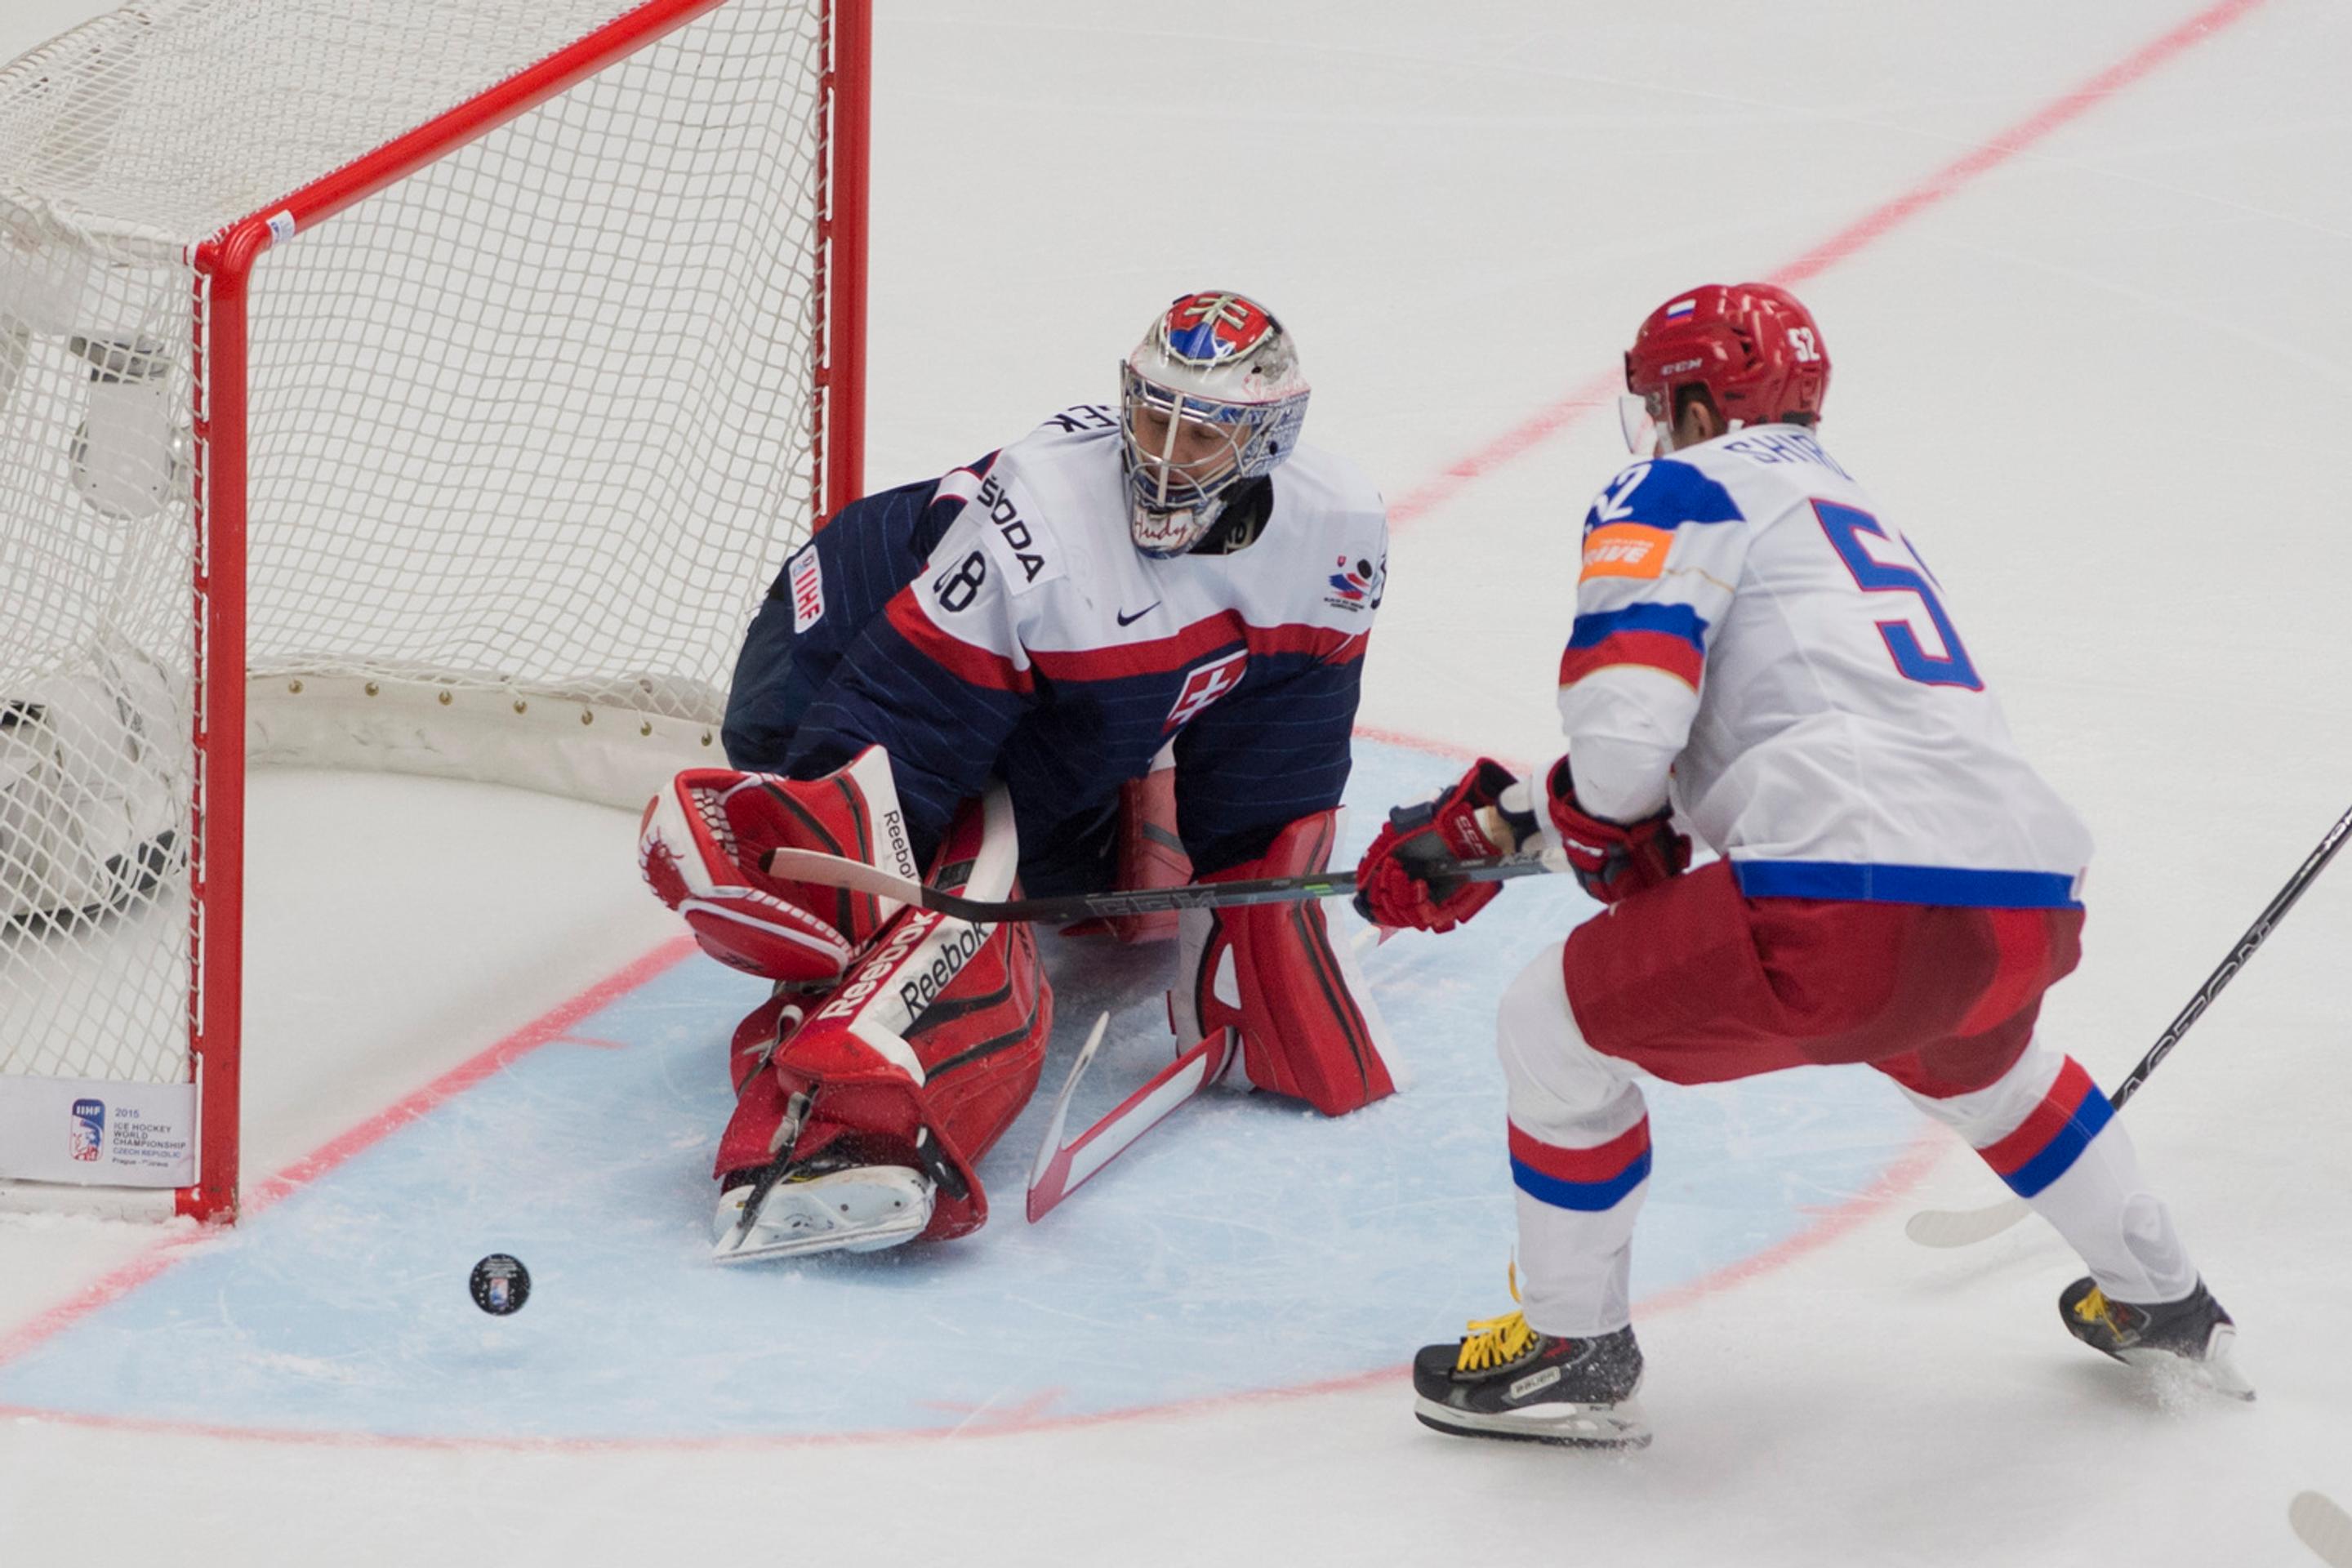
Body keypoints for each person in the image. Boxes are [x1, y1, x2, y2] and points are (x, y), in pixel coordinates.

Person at [1353, 283, 2246, 1448]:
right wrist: (1499, 825)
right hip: (2024, 901)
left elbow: (1628, 736)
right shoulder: (1834, 505)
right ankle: (2166, 1303)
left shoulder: (1679, 485)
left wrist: (1593, 822)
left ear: (1686, 399)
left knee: (1550, 1025)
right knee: (1992, 1070)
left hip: (1856, 905)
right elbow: (1760, 729)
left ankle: (1573, 1349)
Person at [639, 289, 1396, 1263]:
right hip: (831, 661)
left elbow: (1278, 732)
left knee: (1069, 832)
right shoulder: (1045, 521)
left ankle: (1109, 832)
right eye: (1152, 417)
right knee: (969, 896)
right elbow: (898, 730)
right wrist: (868, 888)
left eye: (1199, 434)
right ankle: (843, 1116)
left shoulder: (1337, 532)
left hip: (1042, 700)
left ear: (1266, 441)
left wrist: (1253, 906)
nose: (1162, 456)